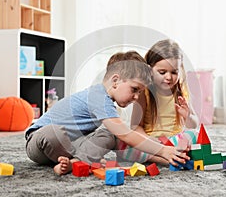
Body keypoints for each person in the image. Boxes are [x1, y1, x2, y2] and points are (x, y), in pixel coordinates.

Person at [25, 51, 190, 175]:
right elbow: (126, 134)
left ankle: (75, 163)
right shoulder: (97, 96)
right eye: (134, 89)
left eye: (140, 92)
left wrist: (164, 152)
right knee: (53, 132)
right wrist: (162, 150)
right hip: (39, 141)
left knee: (108, 135)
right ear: (116, 80)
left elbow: (124, 138)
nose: (136, 97)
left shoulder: (107, 103)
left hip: (71, 145)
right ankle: (82, 159)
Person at [116, 40, 199, 165]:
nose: (169, 77)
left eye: (174, 72)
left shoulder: (181, 92)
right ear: (149, 70)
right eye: (162, 72)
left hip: (173, 141)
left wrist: (188, 116)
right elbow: (135, 126)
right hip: (149, 141)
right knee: (121, 140)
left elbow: (194, 125)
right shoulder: (144, 93)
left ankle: (171, 155)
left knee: (194, 134)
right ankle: (162, 158)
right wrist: (150, 141)